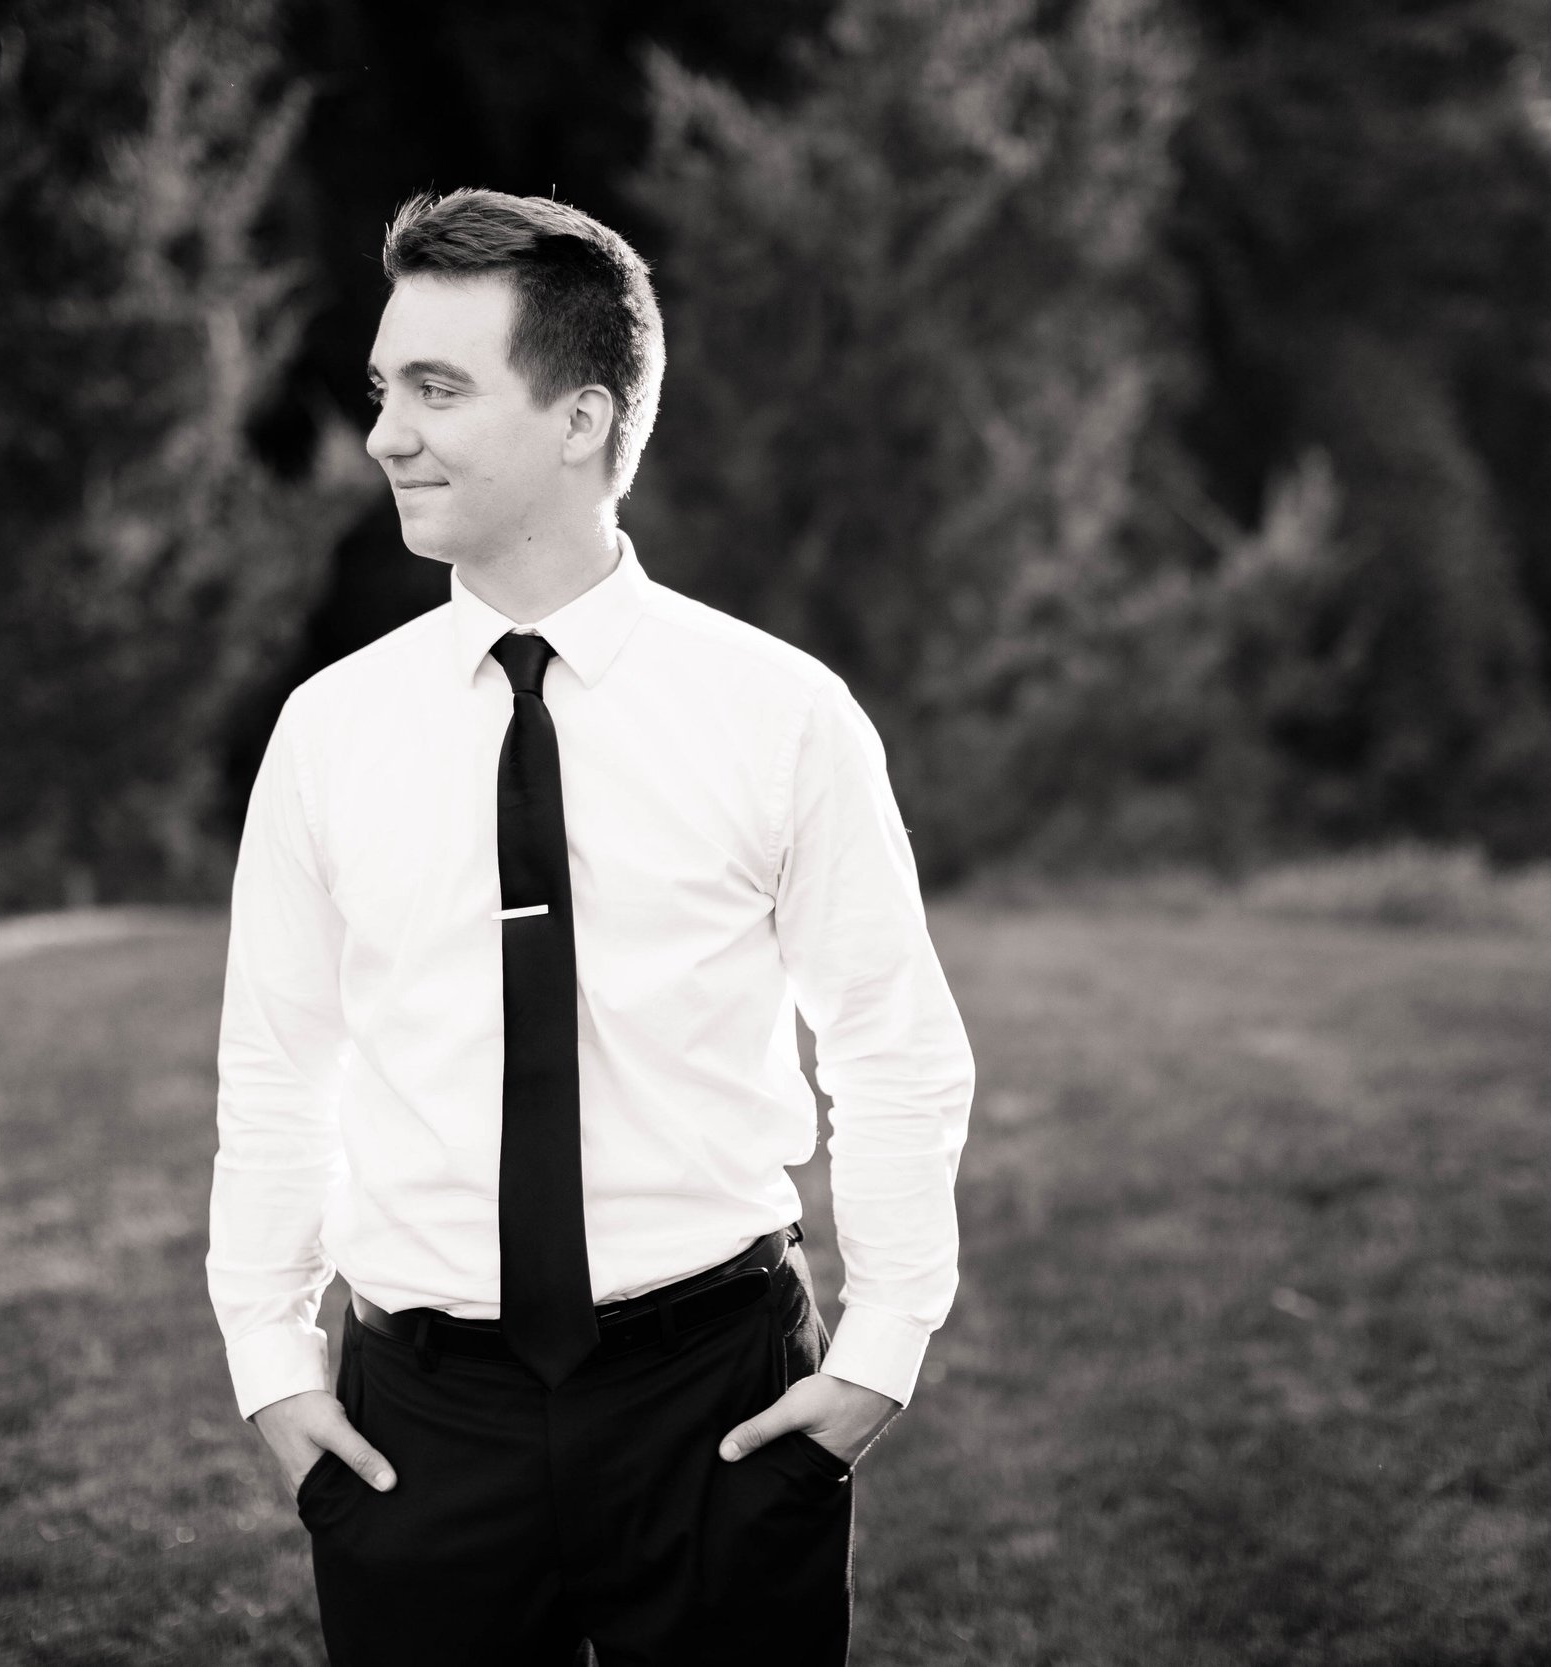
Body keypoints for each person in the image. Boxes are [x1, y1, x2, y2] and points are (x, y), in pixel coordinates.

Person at [206, 188, 975, 1666]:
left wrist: (883, 1349)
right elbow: (278, 1067)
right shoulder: (329, 731)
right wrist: (267, 1355)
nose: (384, 436)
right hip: (417, 1428)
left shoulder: (779, 715)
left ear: (583, 419)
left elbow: (891, 1045)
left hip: (719, 1406)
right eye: (383, 390)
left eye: (437, 390)